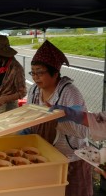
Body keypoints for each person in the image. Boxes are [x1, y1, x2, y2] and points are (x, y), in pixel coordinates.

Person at [21, 40, 92, 196]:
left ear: (54, 72)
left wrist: (59, 117)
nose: (35, 77)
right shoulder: (34, 91)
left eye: (40, 72)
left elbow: (83, 131)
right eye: (32, 72)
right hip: (45, 157)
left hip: (72, 159)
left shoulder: (69, 93)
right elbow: (29, 115)